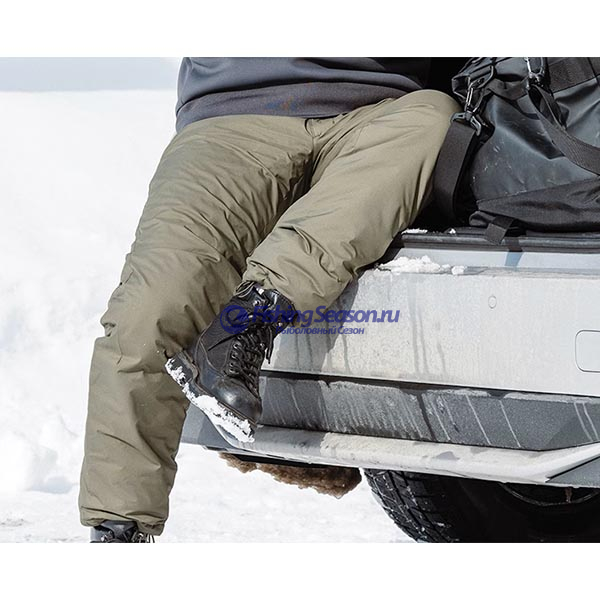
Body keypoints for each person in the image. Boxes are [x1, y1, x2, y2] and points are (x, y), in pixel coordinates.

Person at [79, 57, 459, 542]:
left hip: (383, 112)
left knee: (435, 116)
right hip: (234, 113)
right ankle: (118, 531)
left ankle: (245, 322)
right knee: (149, 311)